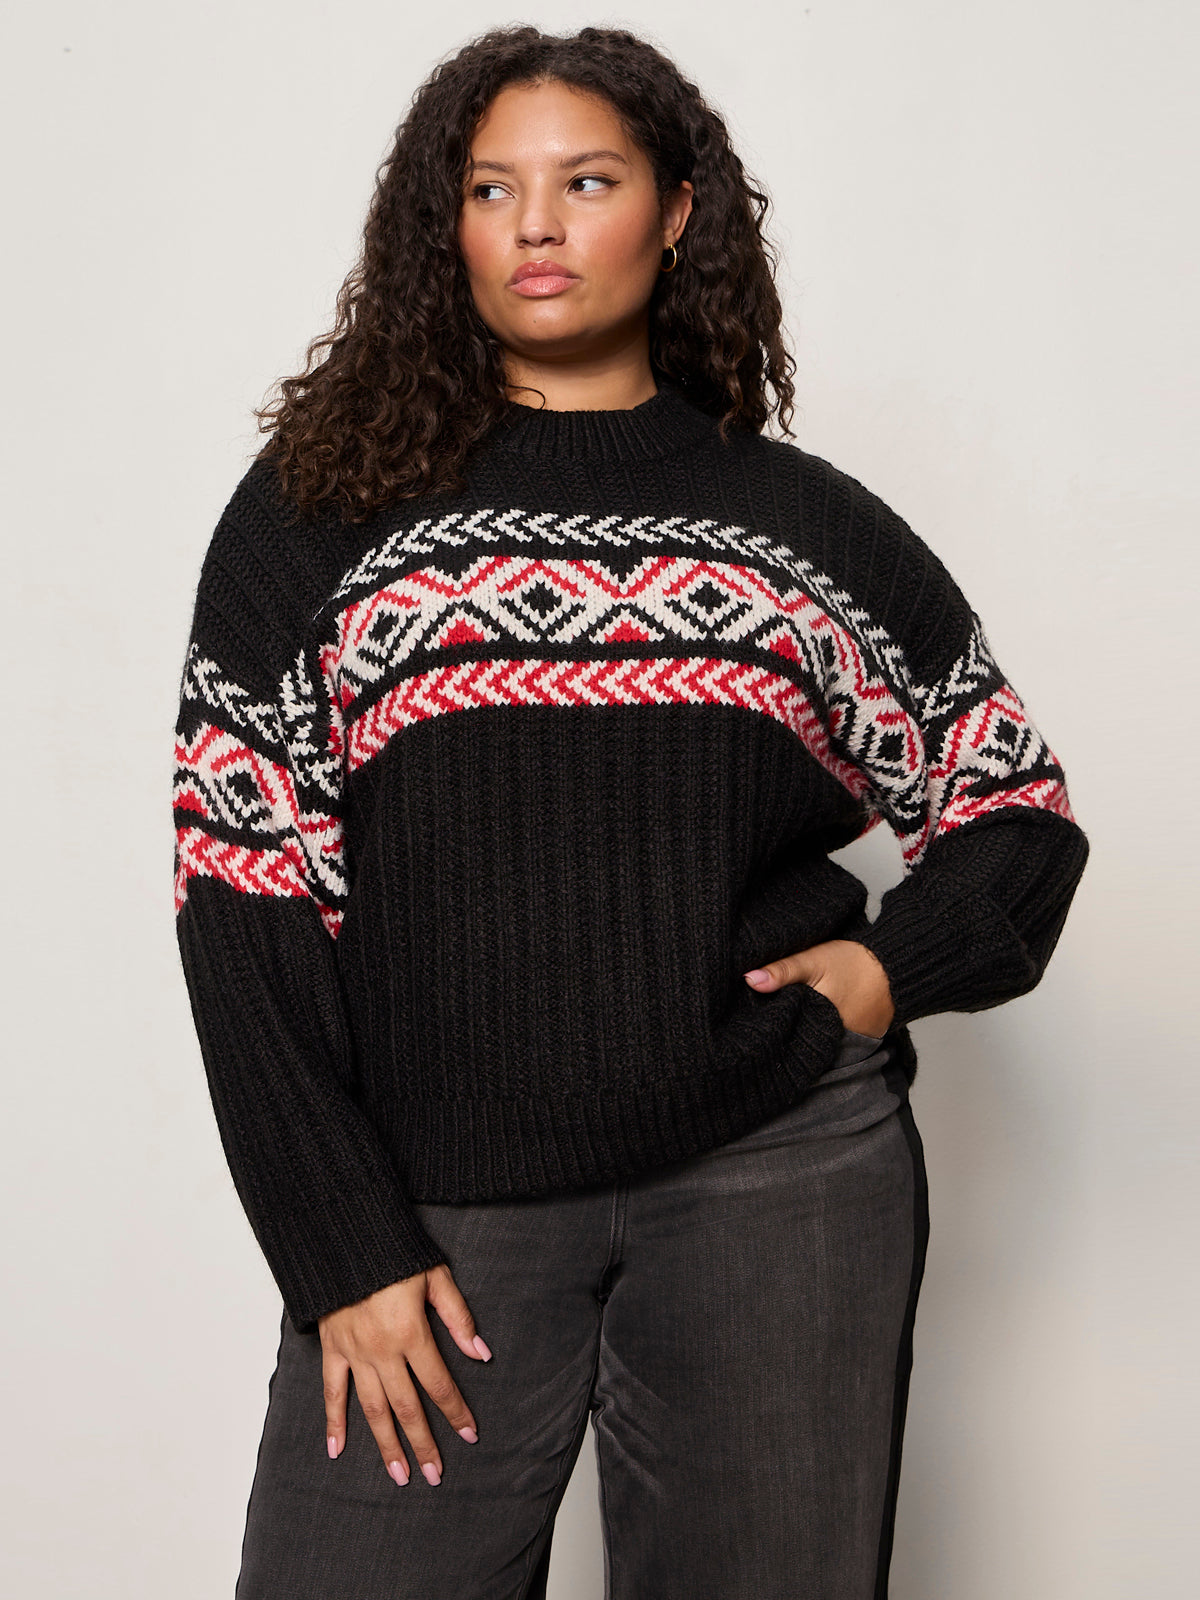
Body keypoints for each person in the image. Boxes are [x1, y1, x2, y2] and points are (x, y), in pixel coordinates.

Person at [172, 24, 1089, 1600]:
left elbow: (1017, 814)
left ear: (675, 214)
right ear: (443, 226)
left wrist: (884, 971)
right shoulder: (320, 518)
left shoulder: (802, 533)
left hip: (775, 1181)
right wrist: (341, 1245)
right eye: (490, 189)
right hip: (434, 1203)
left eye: (586, 182)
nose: (535, 225)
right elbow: (242, 900)